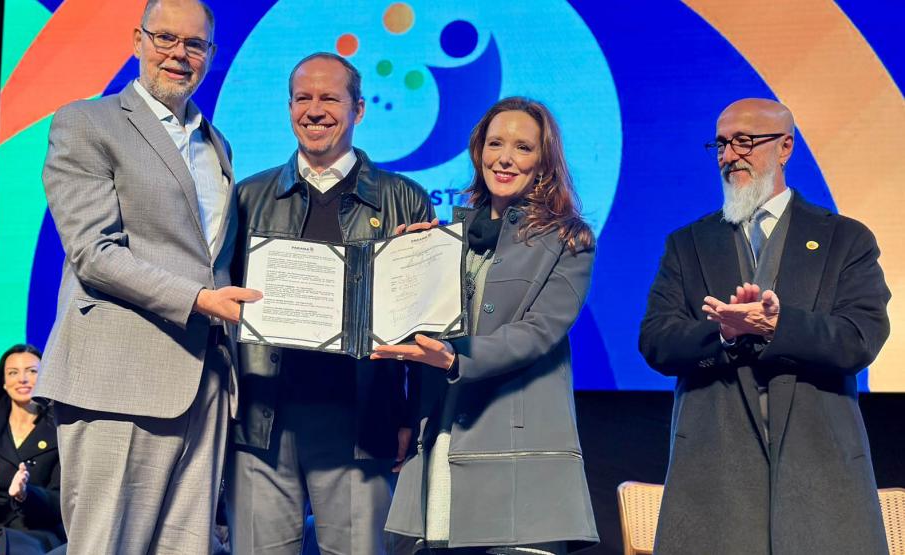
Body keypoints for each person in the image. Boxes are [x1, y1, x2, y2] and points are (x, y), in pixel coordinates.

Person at [38, 0, 261, 552]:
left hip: (205, 381)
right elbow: (93, 252)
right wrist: (201, 300)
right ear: (136, 39)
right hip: (119, 376)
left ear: (211, 54)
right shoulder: (87, 122)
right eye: (165, 38)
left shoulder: (217, 144)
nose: (178, 55)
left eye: (194, 45)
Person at [639, 98, 891, 555]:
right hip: (714, 475)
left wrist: (779, 327)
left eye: (745, 141)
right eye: (721, 144)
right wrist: (723, 334)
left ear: (785, 148)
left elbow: (860, 338)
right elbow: (656, 341)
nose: (729, 155)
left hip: (820, 475)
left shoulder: (845, 239)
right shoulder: (688, 244)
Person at [227, 52, 435, 555]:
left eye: (329, 98)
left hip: (359, 426)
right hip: (262, 424)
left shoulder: (404, 199)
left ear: (359, 110)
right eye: (303, 98)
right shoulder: (247, 197)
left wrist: (413, 419)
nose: (314, 110)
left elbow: (428, 328)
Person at [373, 97, 599, 554]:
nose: (505, 158)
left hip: (519, 440)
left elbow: (539, 331)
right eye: (495, 143)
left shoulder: (568, 238)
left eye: (523, 147)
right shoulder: (442, 236)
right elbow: (411, 324)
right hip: (443, 432)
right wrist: (400, 264)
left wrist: (459, 357)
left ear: (544, 161)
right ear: (478, 152)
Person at [0, 345, 64, 554]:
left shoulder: (61, 430)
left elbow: (64, 501)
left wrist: (26, 494)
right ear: (4, 382)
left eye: (32, 371)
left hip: (35, 534)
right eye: (13, 372)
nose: (22, 379)